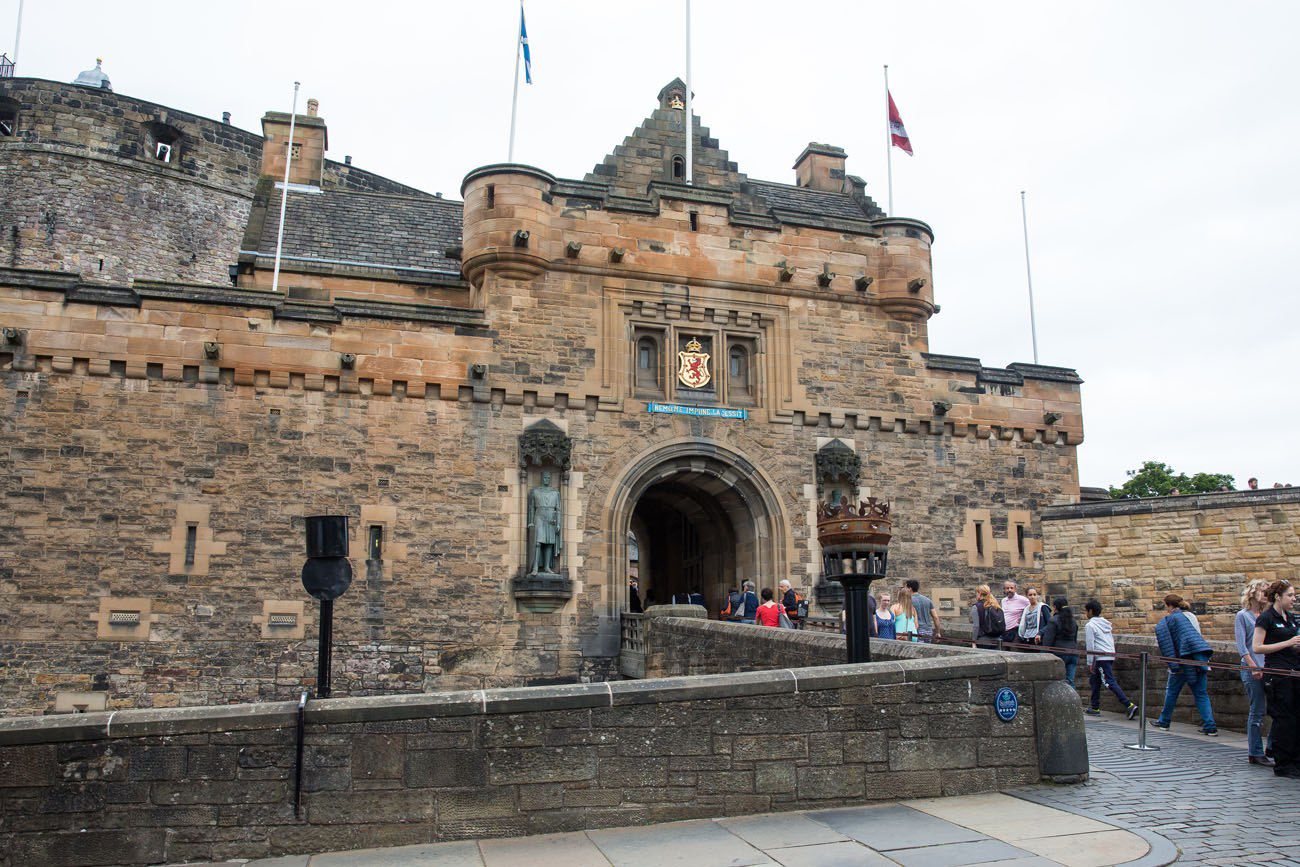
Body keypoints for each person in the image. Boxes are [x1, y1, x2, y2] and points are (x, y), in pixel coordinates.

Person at [1253, 580, 1300, 779]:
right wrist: (1287, 642)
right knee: (1284, 719)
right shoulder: (1266, 618)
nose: (1294, 599)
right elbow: (1257, 647)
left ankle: (1296, 761)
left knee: (1296, 718)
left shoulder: (1290, 618)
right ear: (1278, 597)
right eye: (1290, 595)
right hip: (1277, 675)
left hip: (1294, 672)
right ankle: (1283, 764)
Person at [1153, 592, 1217, 735]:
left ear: (1169, 606)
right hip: (1198, 659)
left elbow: (1169, 643)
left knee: (1172, 692)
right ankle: (1210, 725)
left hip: (1182, 661)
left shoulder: (1171, 619)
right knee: (1201, 693)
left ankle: (1164, 721)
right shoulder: (1191, 616)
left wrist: (1174, 663)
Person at [1236, 579, 1275, 766]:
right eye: (1262, 591)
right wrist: (1253, 667)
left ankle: (1273, 747)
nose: (1265, 596)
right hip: (1253, 668)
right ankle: (1255, 752)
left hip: (1269, 668)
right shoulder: (1243, 616)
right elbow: (1242, 646)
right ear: (1253, 593)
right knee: (1257, 710)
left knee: (1278, 709)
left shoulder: (1267, 616)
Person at [1083, 600, 1139, 719]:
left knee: (1108, 681)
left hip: (1100, 657)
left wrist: (1090, 662)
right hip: (1108, 654)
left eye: (1086, 611)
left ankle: (1129, 705)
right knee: (1095, 681)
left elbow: (1090, 645)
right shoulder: (1105, 623)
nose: (1086, 614)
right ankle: (1094, 707)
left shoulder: (1090, 625)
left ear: (1090, 611)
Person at [1041, 597, 1079, 685]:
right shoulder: (1073, 621)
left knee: (1057, 682)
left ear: (1055, 607)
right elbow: (1075, 639)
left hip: (1059, 653)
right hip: (1073, 653)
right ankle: (1072, 698)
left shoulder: (1053, 620)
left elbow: (1047, 641)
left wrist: (1043, 655)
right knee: (1070, 682)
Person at [971, 584, 1004, 648]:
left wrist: (973, 642)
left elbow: (976, 626)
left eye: (976, 593)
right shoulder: (995, 605)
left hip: (984, 641)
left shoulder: (976, 607)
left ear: (979, 594)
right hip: (998, 640)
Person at [1000, 579, 1030, 645]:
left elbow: (1033, 608)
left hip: (1015, 632)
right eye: (1007, 588)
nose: (1009, 590)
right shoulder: (1003, 601)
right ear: (1004, 590)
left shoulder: (1022, 600)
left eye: (1011, 588)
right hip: (1004, 631)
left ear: (1015, 589)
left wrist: (1023, 618)